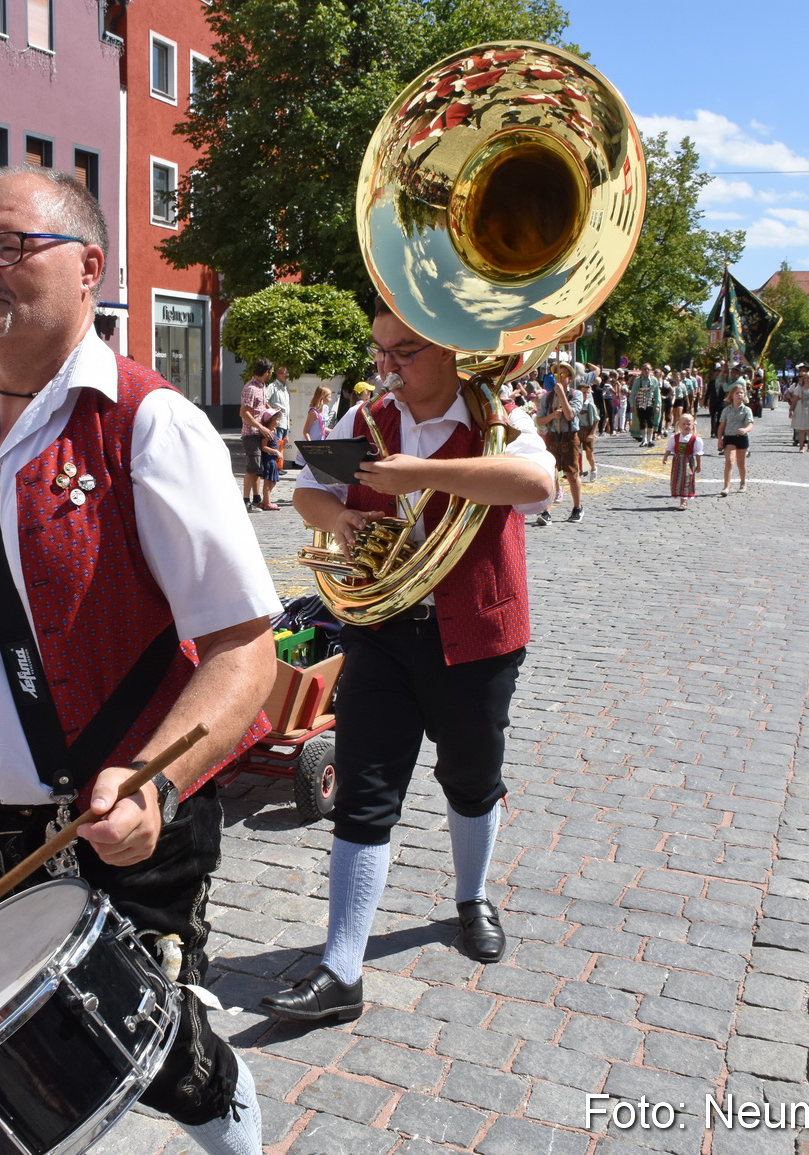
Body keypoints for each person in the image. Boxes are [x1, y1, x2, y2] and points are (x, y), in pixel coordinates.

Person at [0, 167, 276, 1155]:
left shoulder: (148, 423)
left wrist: (155, 779)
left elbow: (244, 650)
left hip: (101, 835)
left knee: (169, 1066)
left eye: (9, 246)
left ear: (90, 268)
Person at [266, 297, 553, 1025]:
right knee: (364, 789)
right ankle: (341, 970)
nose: (387, 366)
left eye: (404, 352)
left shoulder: (497, 416)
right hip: (382, 629)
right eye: (381, 350)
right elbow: (308, 491)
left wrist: (422, 472)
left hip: (478, 631)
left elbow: (537, 486)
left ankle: (471, 898)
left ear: (448, 349)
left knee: (471, 778)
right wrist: (342, 517)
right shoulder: (362, 419)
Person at [534, 364, 583, 524]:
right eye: (557, 375)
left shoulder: (576, 394)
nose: (560, 378)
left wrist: (562, 394)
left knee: (571, 473)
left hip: (569, 436)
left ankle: (577, 507)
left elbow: (569, 415)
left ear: (570, 378)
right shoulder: (547, 397)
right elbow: (539, 420)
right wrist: (552, 416)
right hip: (552, 436)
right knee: (551, 473)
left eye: (563, 375)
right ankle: (547, 511)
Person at [239, 358, 275, 511]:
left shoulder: (262, 386)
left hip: (260, 432)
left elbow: (262, 405)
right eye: (271, 372)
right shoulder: (251, 388)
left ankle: (256, 499)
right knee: (252, 468)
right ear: (266, 372)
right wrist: (261, 427)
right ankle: (245, 501)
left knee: (258, 468)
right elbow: (244, 413)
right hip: (251, 433)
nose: (271, 374)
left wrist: (272, 417)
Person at [716, 385, 754, 496]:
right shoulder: (726, 410)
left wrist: (745, 430)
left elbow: (750, 424)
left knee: (741, 463)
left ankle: (743, 483)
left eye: (741, 393)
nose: (739, 395)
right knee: (730, 461)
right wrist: (719, 439)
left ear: (744, 395)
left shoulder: (747, 410)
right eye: (737, 393)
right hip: (729, 437)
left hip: (742, 438)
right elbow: (721, 426)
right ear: (732, 395)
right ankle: (726, 487)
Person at [662, 413, 702, 510]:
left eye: (688, 424)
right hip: (677, 461)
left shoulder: (695, 439)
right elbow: (669, 448)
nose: (686, 426)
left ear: (693, 425)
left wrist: (698, 465)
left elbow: (698, 453)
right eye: (683, 424)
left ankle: (684, 501)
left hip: (688, 462)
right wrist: (665, 457)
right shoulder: (674, 438)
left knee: (687, 479)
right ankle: (681, 498)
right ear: (679, 425)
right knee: (677, 479)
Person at [630, 364, 661, 447]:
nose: (646, 371)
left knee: (650, 422)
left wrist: (657, 405)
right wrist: (632, 405)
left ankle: (650, 439)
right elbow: (633, 393)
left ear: (650, 370)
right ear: (642, 370)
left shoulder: (654, 380)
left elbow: (657, 394)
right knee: (642, 422)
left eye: (648, 369)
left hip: (650, 403)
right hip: (640, 403)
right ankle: (644, 440)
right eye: (645, 369)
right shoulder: (637, 380)